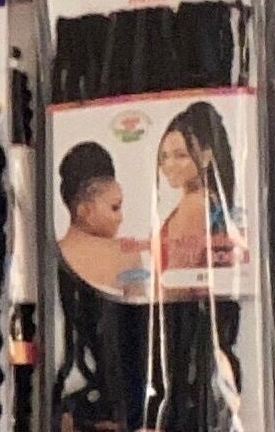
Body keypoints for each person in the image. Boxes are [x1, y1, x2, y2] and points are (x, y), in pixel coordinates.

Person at [156, 102, 237, 274]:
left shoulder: (194, 205)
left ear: (206, 156)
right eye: (164, 156)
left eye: (181, 155)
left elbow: (176, 278)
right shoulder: (211, 200)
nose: (169, 165)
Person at [56, 142, 142, 297]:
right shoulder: (126, 254)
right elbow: (139, 312)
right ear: (85, 210)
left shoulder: (51, 253)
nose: (120, 218)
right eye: (115, 207)